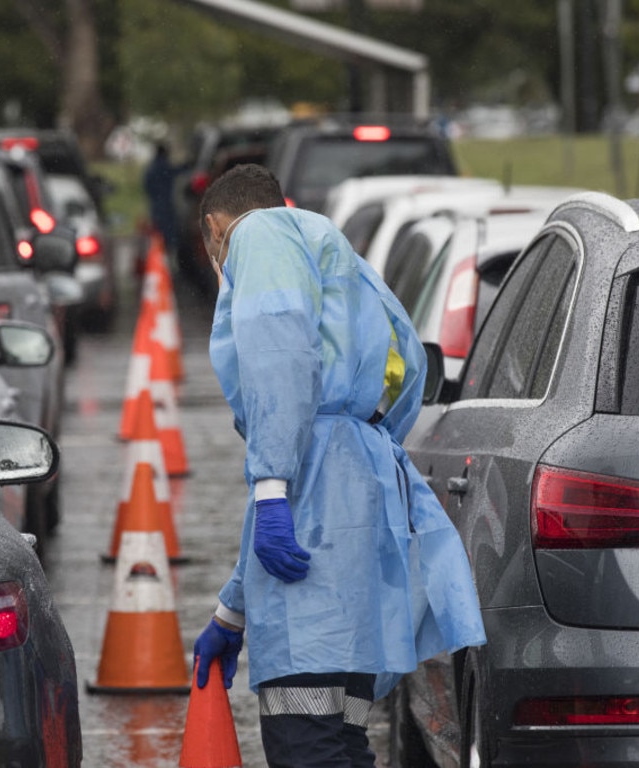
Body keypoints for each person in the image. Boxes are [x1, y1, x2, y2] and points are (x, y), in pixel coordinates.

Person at [191, 164, 486, 768]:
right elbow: (405, 362)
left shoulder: (257, 233)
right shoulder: (332, 248)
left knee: (307, 743)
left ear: (216, 228)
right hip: (362, 497)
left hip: (319, 497)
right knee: (344, 735)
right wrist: (232, 610)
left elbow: (278, 355)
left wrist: (271, 485)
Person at [142, 142, 180, 254]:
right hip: (165, 204)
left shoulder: (150, 168)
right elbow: (175, 171)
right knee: (169, 233)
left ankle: (161, 253)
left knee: (158, 233)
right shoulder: (164, 166)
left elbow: (146, 186)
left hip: (155, 205)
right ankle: (169, 253)